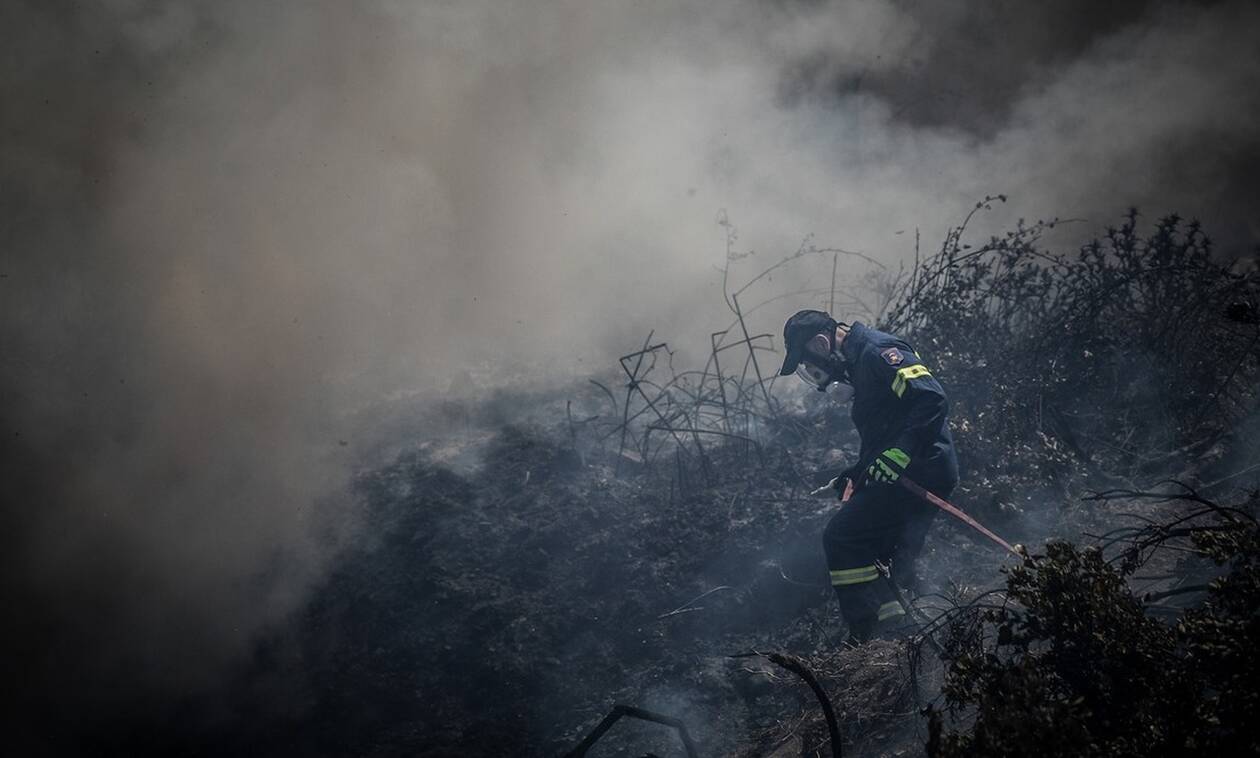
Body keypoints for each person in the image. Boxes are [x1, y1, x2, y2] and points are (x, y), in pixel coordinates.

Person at [779, 310, 960, 642]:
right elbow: (884, 436)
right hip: (909, 470)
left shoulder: (877, 353)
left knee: (843, 537)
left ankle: (867, 633)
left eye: (807, 363)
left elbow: (931, 399)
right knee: (888, 555)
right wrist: (855, 475)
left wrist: (901, 453)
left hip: (923, 469)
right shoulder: (859, 365)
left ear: (821, 343)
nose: (811, 373)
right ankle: (908, 630)